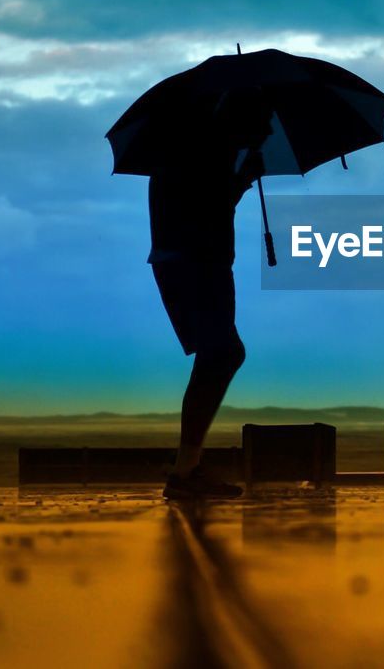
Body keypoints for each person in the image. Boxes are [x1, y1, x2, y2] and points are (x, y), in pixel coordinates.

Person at [150, 99, 271, 500]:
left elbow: (206, 205)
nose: (269, 133)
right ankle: (186, 471)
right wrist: (241, 179)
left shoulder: (201, 148)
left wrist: (239, 179)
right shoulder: (205, 149)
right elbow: (206, 209)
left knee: (219, 354)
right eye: (264, 122)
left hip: (198, 263)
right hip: (195, 264)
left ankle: (188, 467)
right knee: (222, 353)